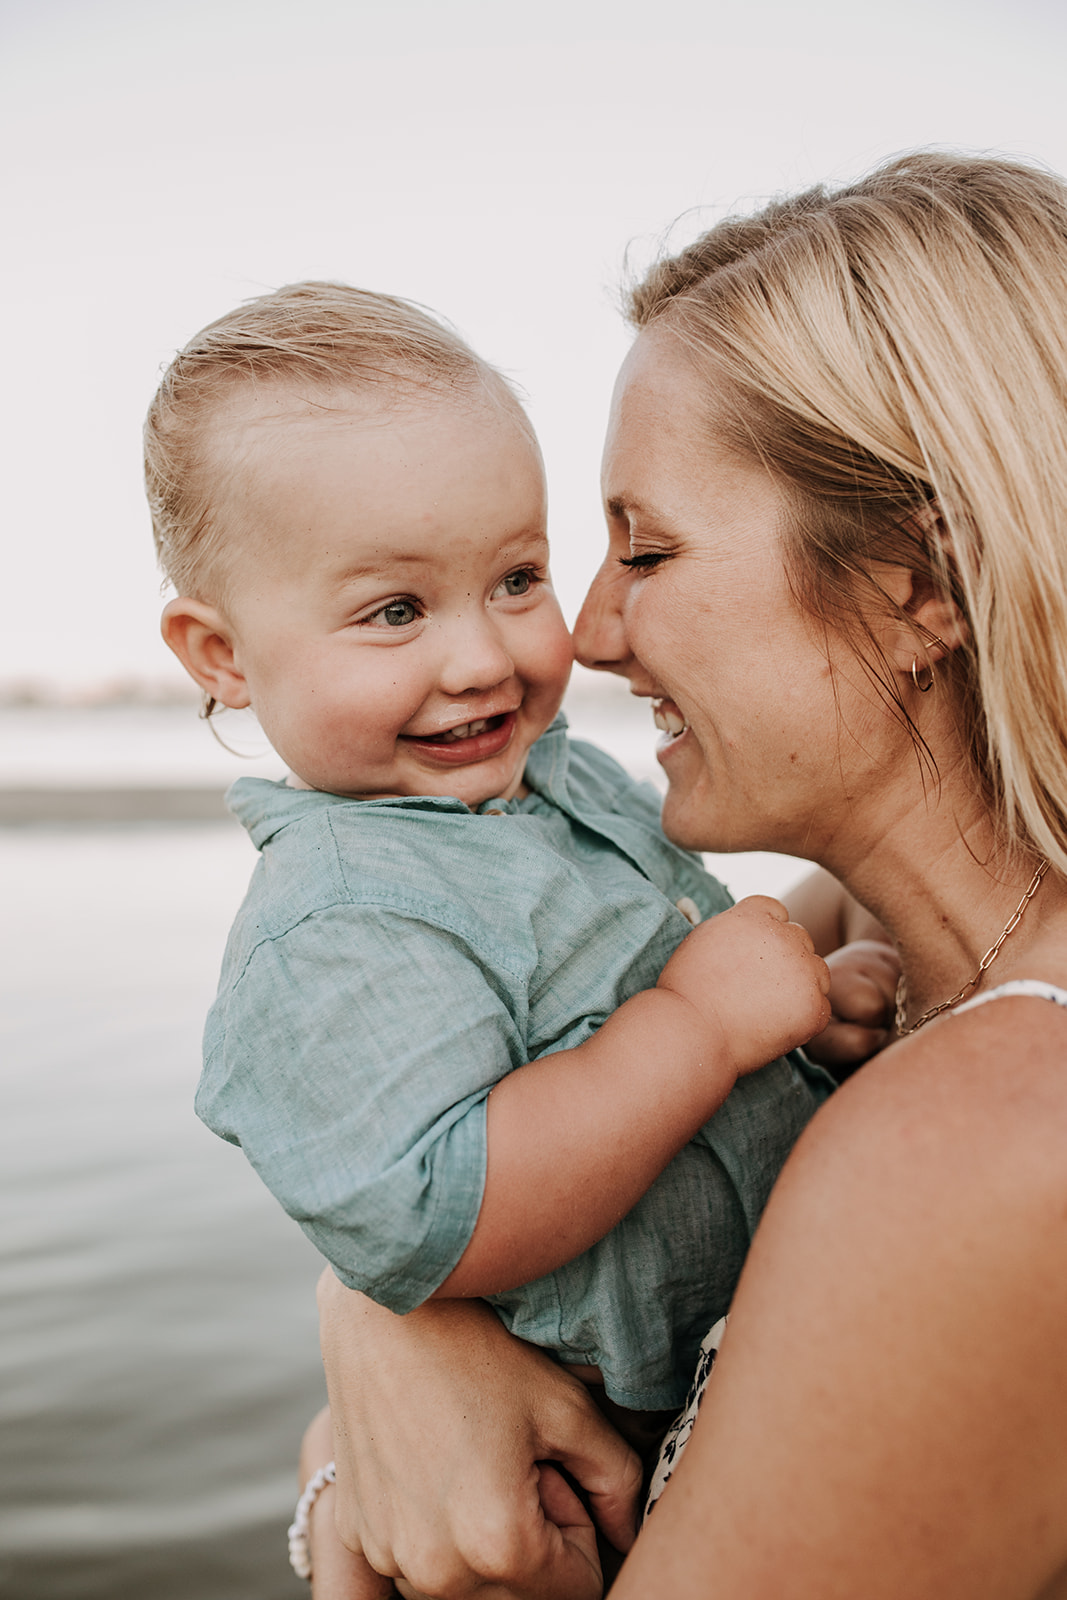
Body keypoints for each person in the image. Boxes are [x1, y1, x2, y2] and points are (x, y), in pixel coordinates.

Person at [310, 150, 1067, 1600]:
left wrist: (357, 1432)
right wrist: (381, 1310)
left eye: (645, 548)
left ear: (917, 582)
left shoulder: (976, 1143)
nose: (586, 635)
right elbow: (489, 1145)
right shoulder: (851, 959)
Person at [144, 284, 893, 1588]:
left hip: (752, 1376)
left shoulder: (547, 784)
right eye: (394, 611)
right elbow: (449, 1206)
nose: (483, 657)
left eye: (515, 579)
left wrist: (794, 1014)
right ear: (222, 655)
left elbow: (653, 962)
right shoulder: (339, 924)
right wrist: (708, 1027)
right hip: (599, 1456)